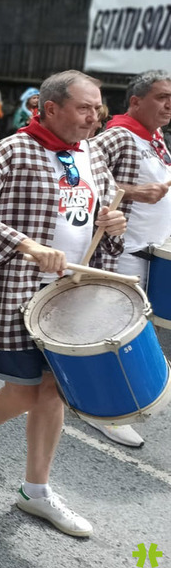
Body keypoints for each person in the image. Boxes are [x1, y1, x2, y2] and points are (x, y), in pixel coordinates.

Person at [0, 70, 126, 538]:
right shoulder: (13, 150)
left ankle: (36, 490)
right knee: (23, 392)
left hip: (72, 296)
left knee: (53, 391)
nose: (94, 116)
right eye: (84, 107)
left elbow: (102, 215)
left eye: (97, 107)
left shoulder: (93, 153)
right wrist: (26, 245)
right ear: (50, 108)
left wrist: (113, 222)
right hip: (19, 294)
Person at [86, 70, 171, 448]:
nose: (169, 105)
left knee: (138, 330)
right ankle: (105, 410)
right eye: (162, 97)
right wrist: (135, 192)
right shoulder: (118, 135)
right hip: (122, 254)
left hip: (150, 252)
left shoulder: (156, 138)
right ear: (136, 101)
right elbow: (81, 175)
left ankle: (114, 399)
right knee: (115, 333)